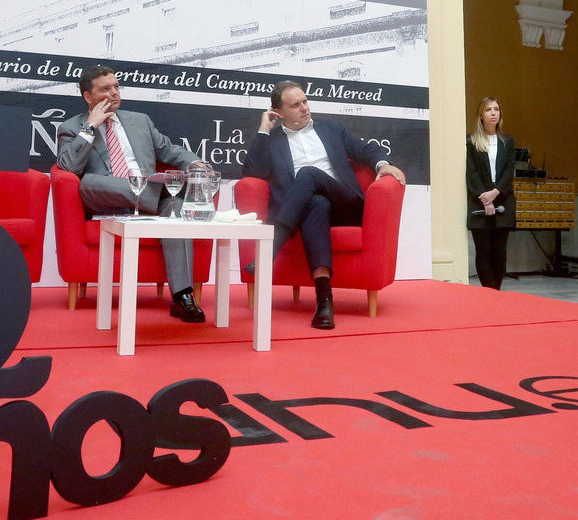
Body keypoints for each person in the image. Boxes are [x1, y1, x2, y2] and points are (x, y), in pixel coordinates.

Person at [243, 79, 406, 329]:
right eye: (295, 105)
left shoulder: (331, 129)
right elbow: (252, 171)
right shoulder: (272, 141)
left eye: (305, 101)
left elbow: (365, 149)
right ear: (278, 112)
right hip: (304, 210)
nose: (304, 108)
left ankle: (271, 247)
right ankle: (324, 301)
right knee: (316, 204)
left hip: (345, 204)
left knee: (308, 173)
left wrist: (382, 165)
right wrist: (264, 129)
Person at [56, 65, 206, 322]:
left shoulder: (140, 120)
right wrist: (90, 127)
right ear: (88, 96)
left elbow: (169, 150)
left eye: (116, 87)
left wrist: (194, 163)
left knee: (176, 208)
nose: (114, 93)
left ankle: (183, 297)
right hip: (106, 198)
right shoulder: (71, 127)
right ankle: (159, 192)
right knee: (88, 183)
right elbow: (68, 166)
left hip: (146, 197)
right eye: (105, 89)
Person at [466, 97, 517, 289]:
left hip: (503, 199)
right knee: (483, 252)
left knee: (499, 252)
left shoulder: (507, 141)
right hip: (479, 200)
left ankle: (496, 292)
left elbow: (509, 170)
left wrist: (495, 193)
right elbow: (472, 172)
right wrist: (486, 199)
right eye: (488, 110)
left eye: (496, 109)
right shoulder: (471, 141)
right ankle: (488, 293)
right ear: (481, 115)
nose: (493, 113)